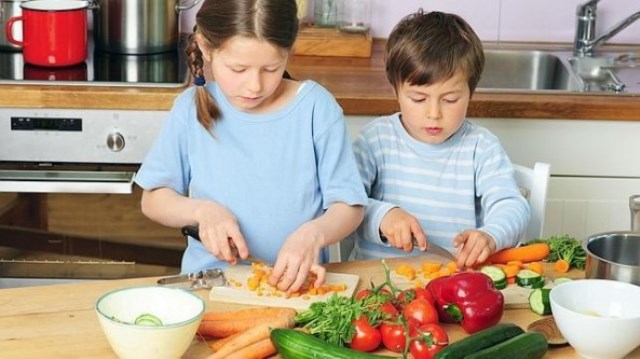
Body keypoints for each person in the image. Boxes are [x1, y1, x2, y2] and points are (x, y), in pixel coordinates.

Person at [135, 0, 367, 293]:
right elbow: (153, 199)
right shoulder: (190, 109)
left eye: (271, 68)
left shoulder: (315, 108)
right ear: (206, 48)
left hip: (295, 287)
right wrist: (202, 211)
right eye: (238, 69)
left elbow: (350, 205)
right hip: (210, 286)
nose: (254, 86)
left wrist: (315, 233)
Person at [350, 10, 530, 269]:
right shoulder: (375, 139)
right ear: (396, 90)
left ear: (471, 93)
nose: (434, 114)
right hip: (377, 286)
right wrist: (382, 216)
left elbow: (511, 205)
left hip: (451, 284)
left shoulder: (481, 147)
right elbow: (345, 202)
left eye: (450, 100)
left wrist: (491, 235)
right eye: (419, 99)